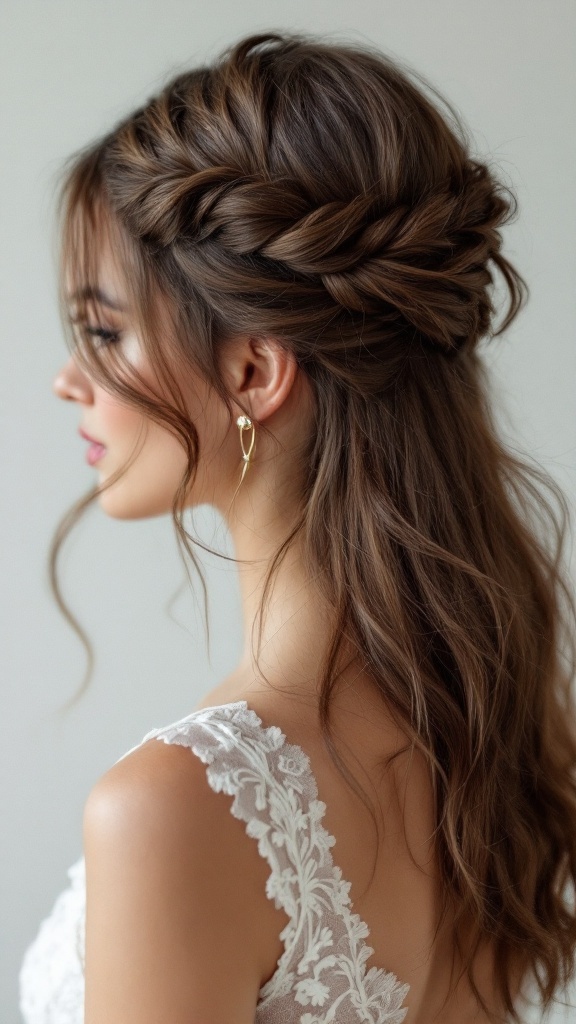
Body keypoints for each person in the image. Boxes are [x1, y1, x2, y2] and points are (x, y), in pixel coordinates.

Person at [18, 30, 576, 1024]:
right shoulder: (484, 730)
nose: (70, 379)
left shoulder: (176, 808)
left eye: (103, 332)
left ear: (253, 373)